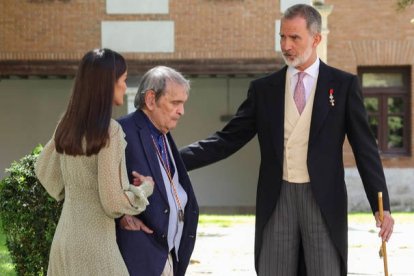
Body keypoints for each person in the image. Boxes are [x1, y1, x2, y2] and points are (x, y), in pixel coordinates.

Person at [179, 4, 394, 276]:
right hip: (277, 197)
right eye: (282, 37)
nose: (286, 45)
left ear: (316, 39)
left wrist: (381, 205)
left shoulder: (343, 85)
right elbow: (227, 140)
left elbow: (365, 149)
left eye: (294, 38)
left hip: (323, 200)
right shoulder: (263, 89)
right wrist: (173, 159)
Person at [34, 48, 154, 276]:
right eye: (124, 80)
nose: (125, 86)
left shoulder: (66, 125)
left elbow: (45, 171)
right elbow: (112, 203)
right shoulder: (110, 131)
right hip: (95, 247)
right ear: (109, 84)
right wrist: (145, 189)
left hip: (64, 242)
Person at [115, 66, 199, 276]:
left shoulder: (162, 133)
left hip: (169, 255)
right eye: (175, 103)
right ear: (151, 100)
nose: (182, 111)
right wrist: (121, 215)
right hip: (141, 258)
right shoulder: (120, 132)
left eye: (183, 103)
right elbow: (98, 183)